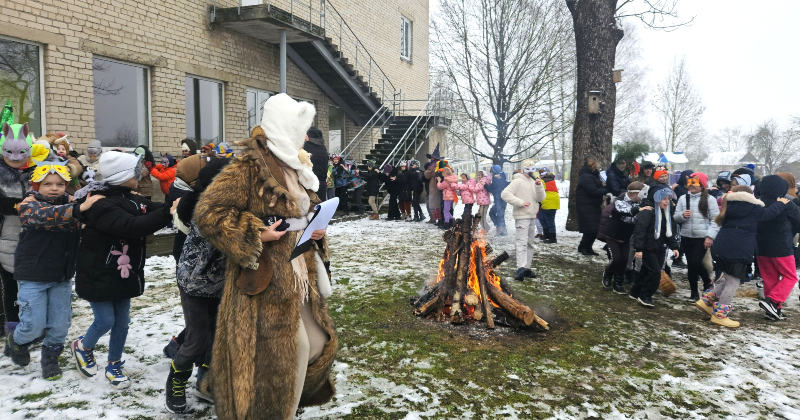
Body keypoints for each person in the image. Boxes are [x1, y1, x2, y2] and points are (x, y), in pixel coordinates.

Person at [194, 94, 336, 420]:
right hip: (265, 281)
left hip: (300, 271)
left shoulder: (297, 166)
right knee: (291, 351)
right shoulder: (250, 166)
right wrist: (255, 234)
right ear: (280, 127)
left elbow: (304, 211)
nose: (302, 136)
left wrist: (317, 230)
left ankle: (283, 402)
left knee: (318, 344)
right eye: (296, 127)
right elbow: (208, 213)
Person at [71, 151, 176, 389]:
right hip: (98, 273)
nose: (140, 174)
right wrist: (167, 212)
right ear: (123, 175)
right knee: (105, 320)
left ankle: (114, 364)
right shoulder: (102, 204)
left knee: (122, 322)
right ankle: (84, 347)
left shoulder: (131, 198)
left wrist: (178, 201)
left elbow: (156, 208)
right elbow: (131, 226)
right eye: (135, 171)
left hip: (123, 272)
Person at [3, 162, 103, 378]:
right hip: (32, 275)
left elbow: (86, 219)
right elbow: (46, 216)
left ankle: (50, 359)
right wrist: (78, 209)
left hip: (61, 276)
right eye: (47, 183)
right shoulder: (29, 205)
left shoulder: (74, 204)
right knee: (33, 324)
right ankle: (17, 340)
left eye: (60, 184)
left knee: (60, 323)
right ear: (36, 185)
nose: (54, 188)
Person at [165, 158, 231, 412]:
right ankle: (176, 382)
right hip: (195, 283)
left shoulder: (233, 205)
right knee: (196, 339)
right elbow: (227, 235)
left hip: (221, 282)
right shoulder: (204, 207)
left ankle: (206, 383)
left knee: (217, 337)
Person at [697, 186, 791, 328]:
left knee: (729, 278)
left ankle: (706, 300)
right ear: (750, 195)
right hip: (738, 249)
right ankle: (720, 316)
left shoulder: (728, 205)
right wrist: (781, 203)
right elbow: (769, 214)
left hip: (722, 246)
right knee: (733, 283)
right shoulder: (753, 208)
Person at [0, 123, 35, 337]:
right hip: (5, 238)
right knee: (10, 285)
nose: (15, 158)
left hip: (34, 239)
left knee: (32, 287)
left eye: (21, 152)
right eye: (9, 152)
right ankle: (13, 329)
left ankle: (32, 325)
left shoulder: (37, 171)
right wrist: (23, 205)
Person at [754, 175, 800, 320]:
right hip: (782, 247)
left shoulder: (758, 203)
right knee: (790, 277)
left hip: (761, 247)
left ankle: (774, 311)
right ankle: (773, 301)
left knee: (769, 278)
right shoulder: (787, 203)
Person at [672, 172, 720, 301]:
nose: (691, 187)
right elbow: (675, 217)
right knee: (691, 266)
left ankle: (707, 281)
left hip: (702, 237)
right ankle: (694, 293)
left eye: (694, 184)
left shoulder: (710, 200)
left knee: (695, 262)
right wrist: (682, 215)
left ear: (702, 185)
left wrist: (710, 236)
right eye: (689, 184)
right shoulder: (683, 198)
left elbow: (716, 220)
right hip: (687, 236)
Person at [630, 188, 680, 307]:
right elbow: (640, 231)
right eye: (664, 199)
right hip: (647, 247)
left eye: (668, 199)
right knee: (655, 272)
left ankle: (635, 291)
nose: (667, 201)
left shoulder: (666, 213)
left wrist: (674, 246)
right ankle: (645, 295)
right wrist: (639, 249)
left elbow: (669, 232)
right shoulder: (648, 212)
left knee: (646, 270)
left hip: (659, 247)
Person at [501, 160, 547, 281]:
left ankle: (527, 267)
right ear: (522, 169)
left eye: (533, 169)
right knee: (521, 241)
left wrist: (539, 186)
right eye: (528, 169)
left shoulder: (534, 182)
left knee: (530, 242)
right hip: (522, 215)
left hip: (532, 215)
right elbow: (505, 194)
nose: (531, 172)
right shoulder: (517, 181)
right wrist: (520, 203)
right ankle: (520, 267)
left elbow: (541, 198)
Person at [602, 182, 647, 295]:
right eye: (642, 195)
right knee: (617, 259)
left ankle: (618, 284)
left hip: (626, 236)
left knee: (625, 260)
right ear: (635, 194)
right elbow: (627, 211)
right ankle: (608, 273)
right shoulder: (619, 201)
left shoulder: (639, 203)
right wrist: (639, 209)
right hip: (613, 235)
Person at [576, 157, 605, 256]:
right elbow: (592, 190)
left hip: (592, 206)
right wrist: (606, 190)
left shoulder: (593, 176)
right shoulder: (586, 177)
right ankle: (584, 247)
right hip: (586, 206)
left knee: (593, 229)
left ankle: (587, 247)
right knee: (590, 229)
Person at [303, 127, 329, 202]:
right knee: (320, 207)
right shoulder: (323, 148)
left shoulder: (307, 146)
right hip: (322, 182)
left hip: (310, 182)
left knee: (310, 209)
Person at [485, 165, 509, 236]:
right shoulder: (500, 177)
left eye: (491, 171)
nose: (490, 172)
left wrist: (485, 185)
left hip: (500, 199)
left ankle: (501, 229)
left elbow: (491, 189)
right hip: (499, 199)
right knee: (494, 213)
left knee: (499, 214)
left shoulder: (498, 179)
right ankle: (501, 228)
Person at [424, 144, 444, 227]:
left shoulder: (433, 164)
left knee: (433, 202)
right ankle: (438, 218)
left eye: (432, 157)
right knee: (437, 202)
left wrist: (425, 172)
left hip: (434, 185)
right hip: (438, 184)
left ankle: (435, 218)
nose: (431, 158)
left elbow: (427, 175)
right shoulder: (440, 163)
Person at [539, 170, 560, 244]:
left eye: (541, 174)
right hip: (549, 202)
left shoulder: (543, 181)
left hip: (549, 202)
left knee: (549, 221)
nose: (540, 176)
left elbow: (539, 190)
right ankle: (547, 235)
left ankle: (552, 238)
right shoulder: (550, 179)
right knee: (542, 218)